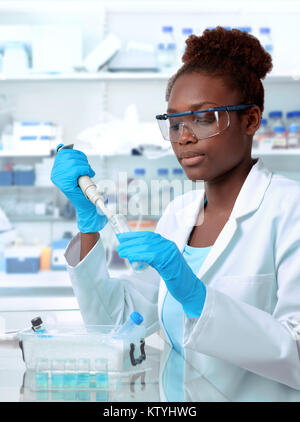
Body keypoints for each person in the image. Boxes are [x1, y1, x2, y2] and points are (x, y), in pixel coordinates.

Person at [51, 27, 300, 390]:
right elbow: (120, 320)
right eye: (175, 122)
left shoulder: (289, 211)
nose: (184, 136)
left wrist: (198, 299)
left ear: (250, 120)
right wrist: (89, 227)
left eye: (204, 118)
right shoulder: (180, 214)